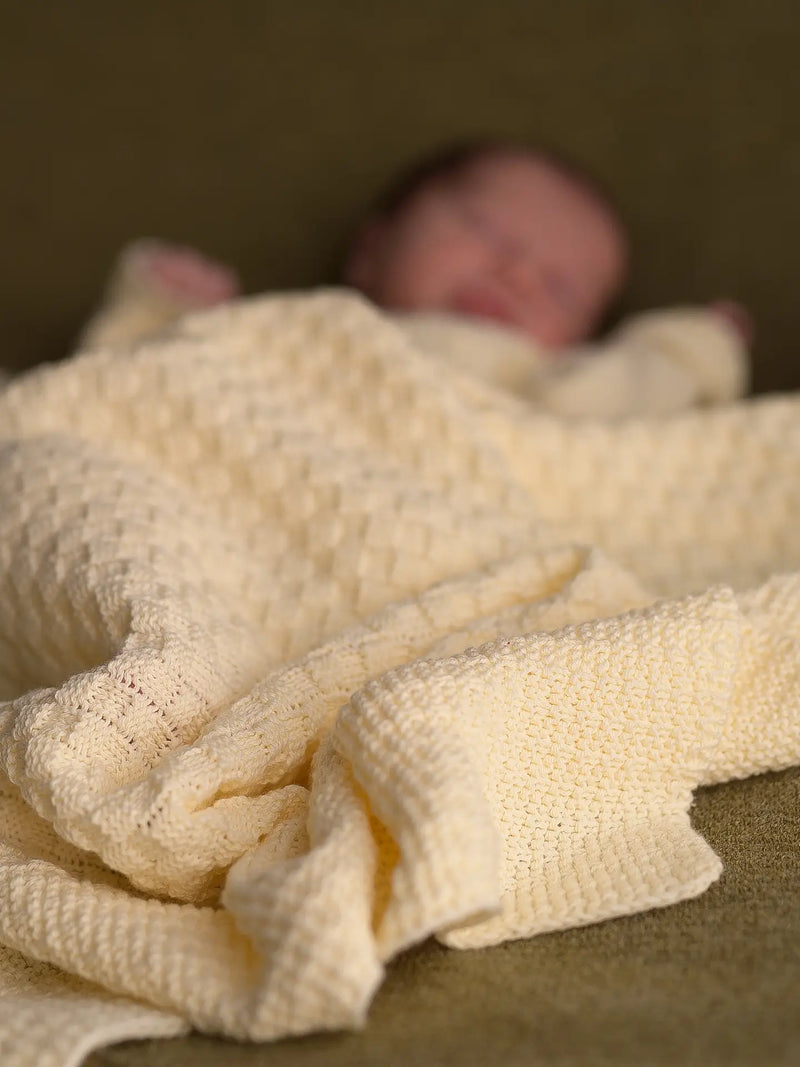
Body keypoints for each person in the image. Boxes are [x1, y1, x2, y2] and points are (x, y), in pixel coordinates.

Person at [78, 140, 752, 417]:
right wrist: (165, 314)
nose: (517, 274)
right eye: (487, 231)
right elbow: (144, 399)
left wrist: (692, 348)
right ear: (372, 248)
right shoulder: (297, 334)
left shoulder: (550, 387)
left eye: (561, 289)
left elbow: (639, 396)